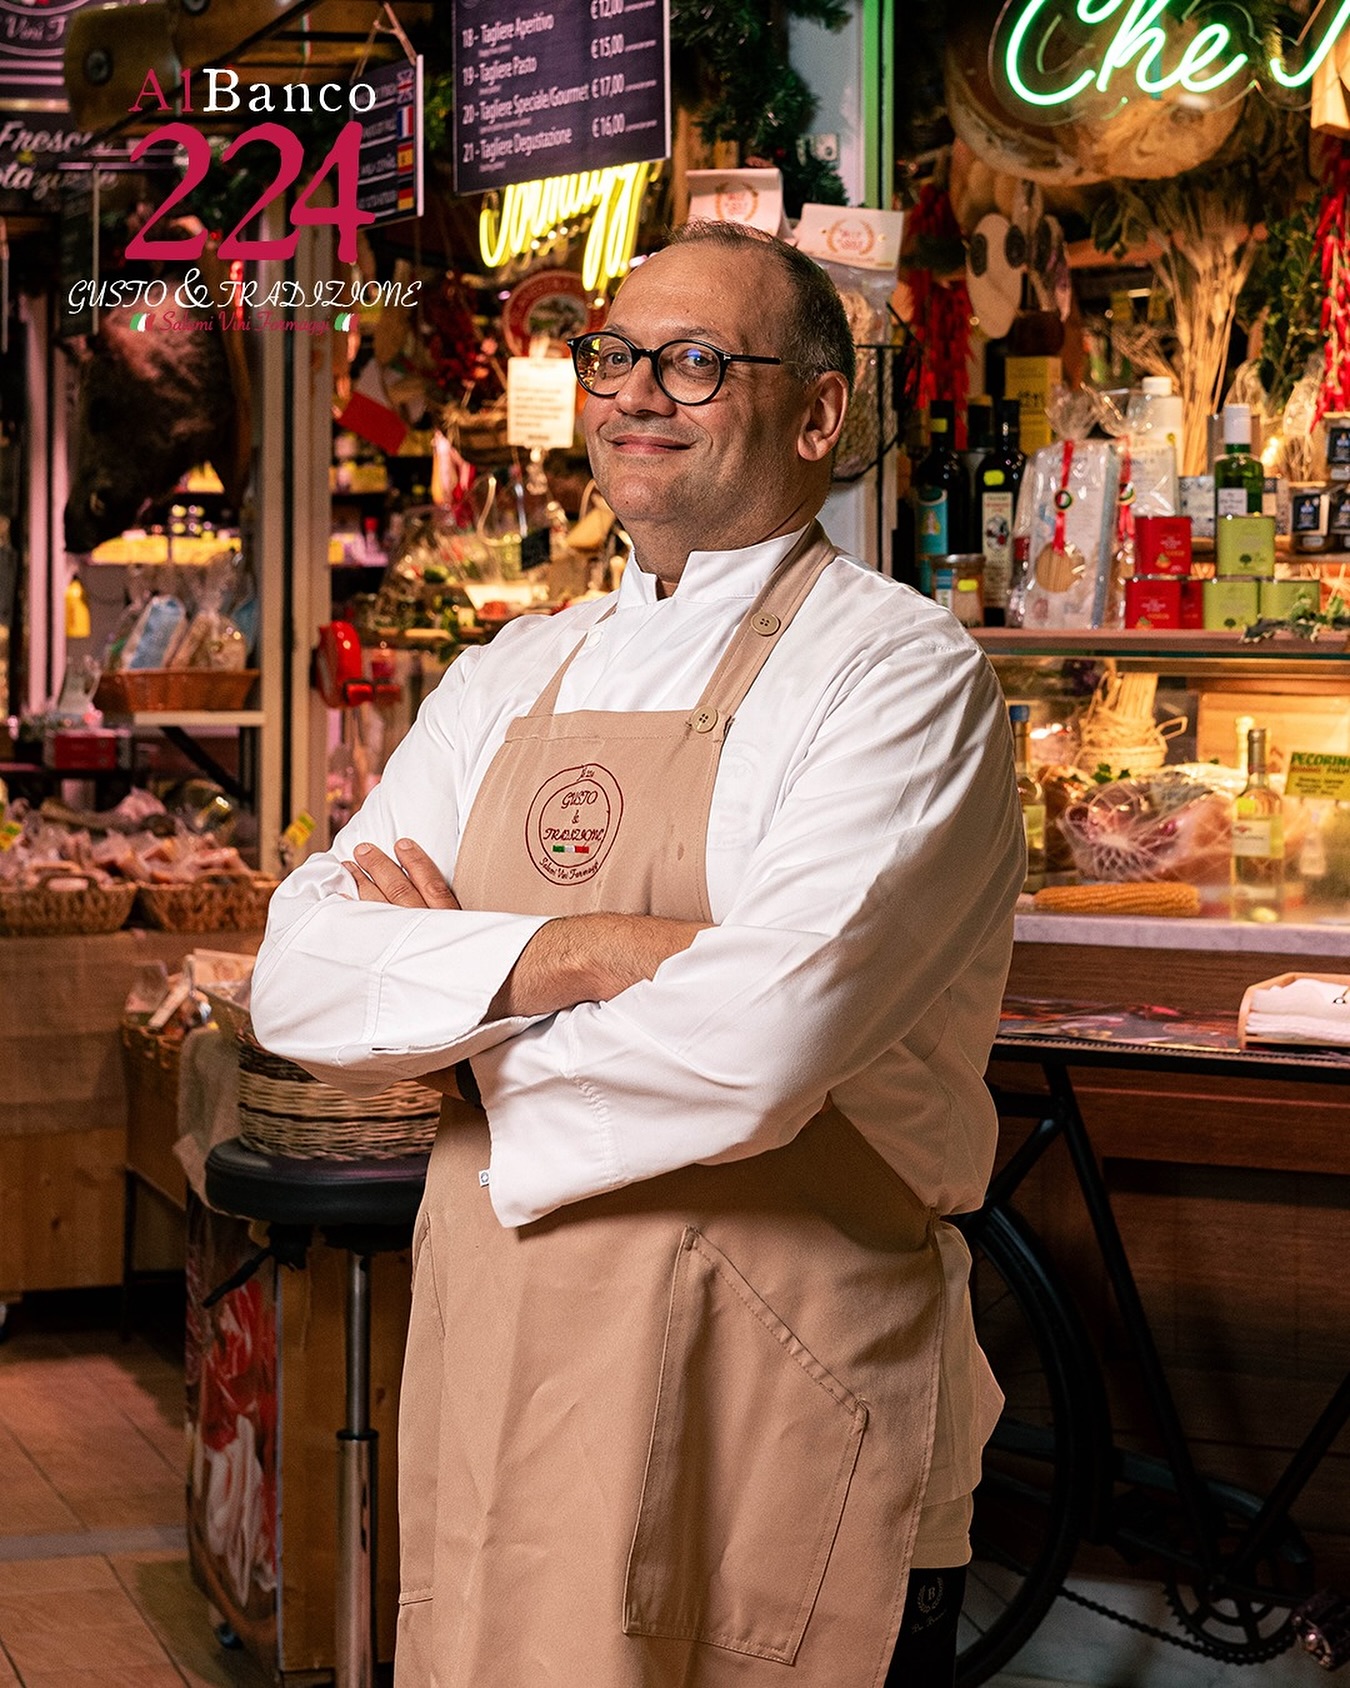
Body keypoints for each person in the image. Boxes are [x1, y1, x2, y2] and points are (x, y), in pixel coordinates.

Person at [251, 221, 1025, 1688]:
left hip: (769, 1383)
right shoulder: (510, 671)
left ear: (815, 413)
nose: (633, 397)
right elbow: (299, 978)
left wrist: (457, 1007)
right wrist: (596, 950)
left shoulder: (900, 678)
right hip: (497, 1371)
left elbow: (758, 1050)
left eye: (693, 362)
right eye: (613, 356)